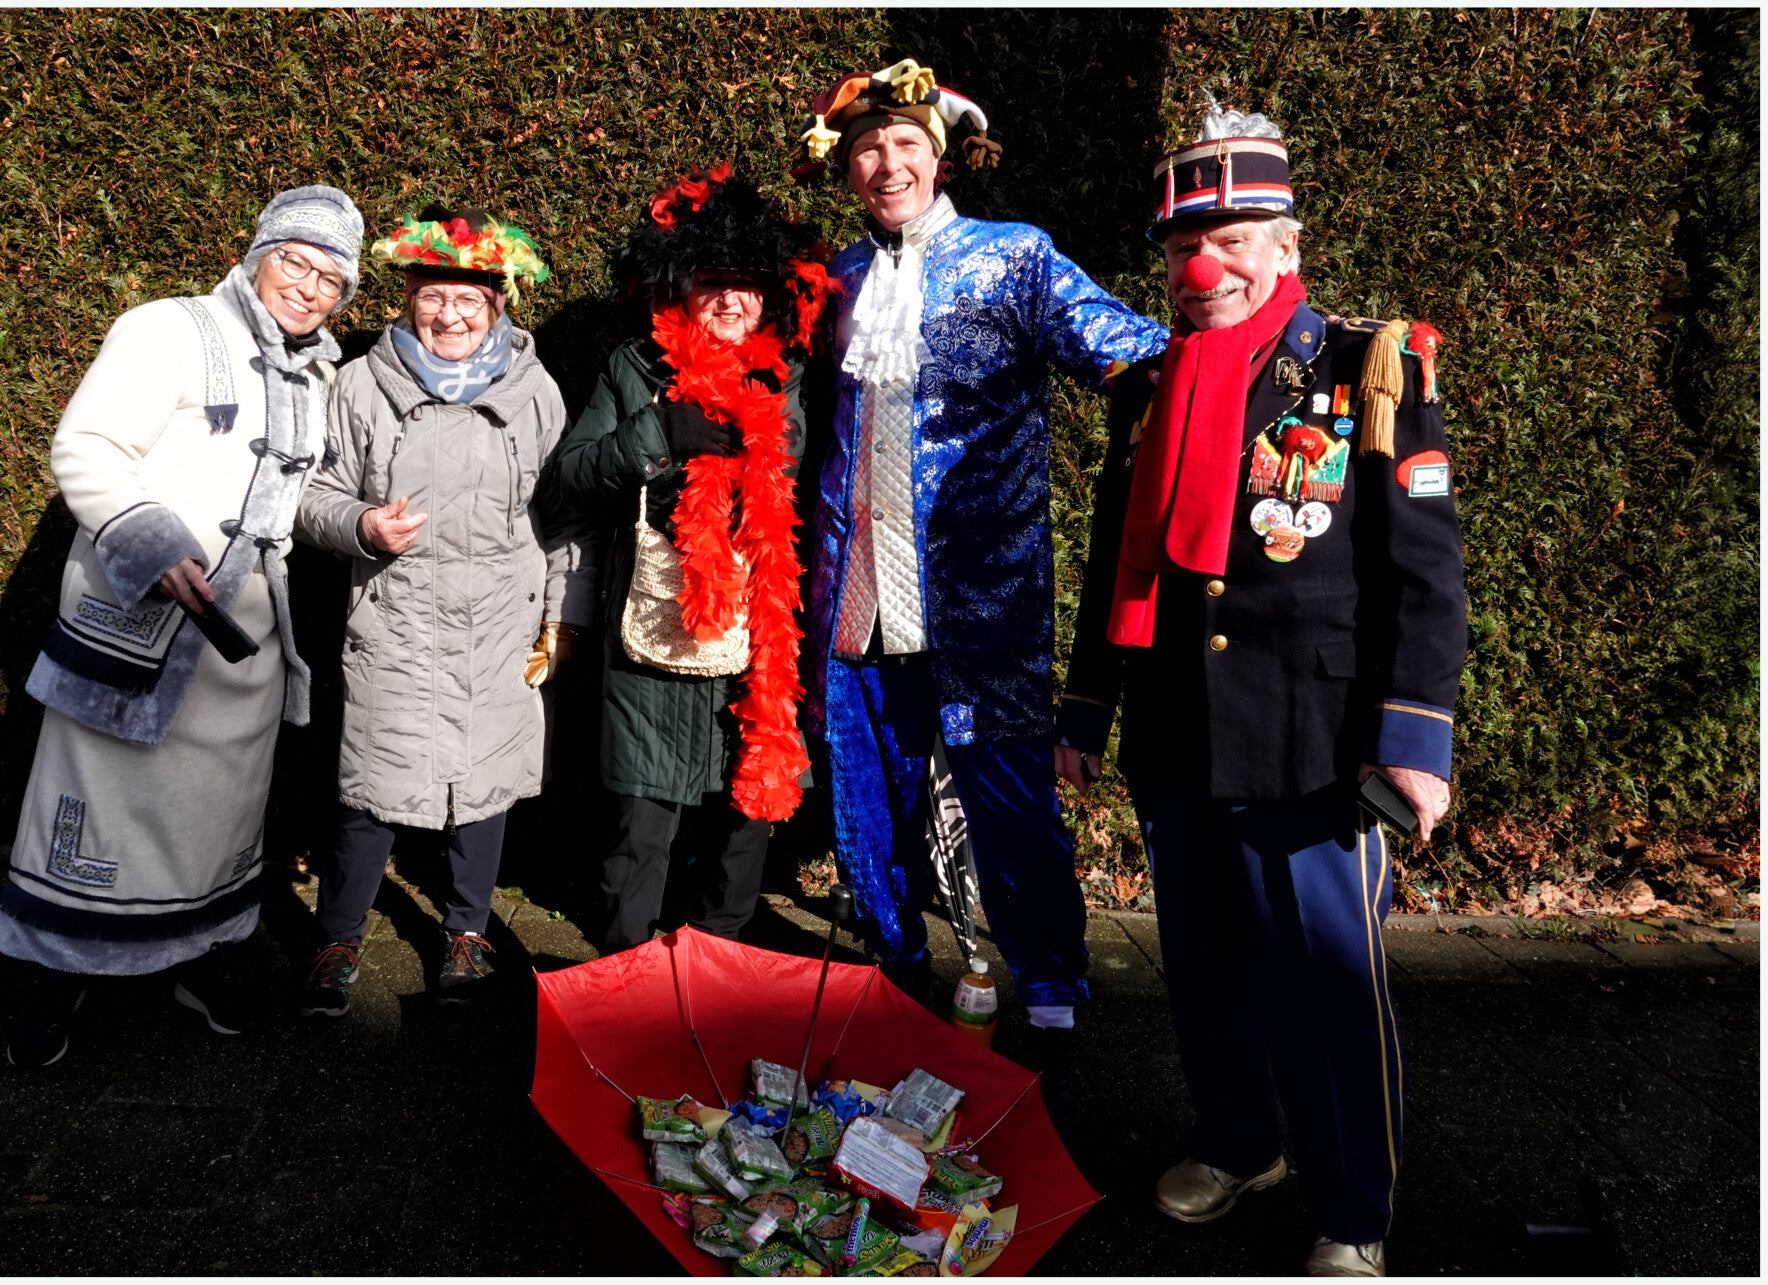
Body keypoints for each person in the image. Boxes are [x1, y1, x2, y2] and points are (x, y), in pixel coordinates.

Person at [1055, 101, 1467, 1278]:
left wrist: (1414, 740)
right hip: (1179, 727)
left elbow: (1425, 574)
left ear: (1285, 245)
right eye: (1187, 245)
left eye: (1231, 240)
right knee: (1203, 967)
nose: (1205, 267)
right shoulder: (1150, 385)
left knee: (1327, 984)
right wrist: (1088, 709)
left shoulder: (1366, 366)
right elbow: (1117, 557)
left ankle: (1352, 1206)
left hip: (1311, 734)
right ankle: (1240, 1143)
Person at [791, 59, 1167, 1095]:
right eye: (868, 148)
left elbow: (1132, 354)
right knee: (868, 795)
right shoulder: (834, 278)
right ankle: (895, 970)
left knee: (1008, 805)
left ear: (942, 156)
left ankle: (1050, 988)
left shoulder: (1015, 257)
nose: (887, 164)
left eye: (906, 144)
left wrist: (1278, 361)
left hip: (982, 600)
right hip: (857, 596)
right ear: (847, 168)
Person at [0, 185, 366, 1066]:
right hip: (137, 624)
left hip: (242, 642)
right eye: (296, 262)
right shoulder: (168, 328)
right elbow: (87, 447)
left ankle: (201, 957)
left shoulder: (319, 372)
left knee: (217, 816)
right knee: (95, 811)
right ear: (259, 254)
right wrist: (154, 545)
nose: (309, 288)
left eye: (332, 280)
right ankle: (53, 978)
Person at [292, 205, 595, 1015]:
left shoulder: (536, 392)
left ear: (498, 304)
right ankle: (337, 936)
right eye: (433, 296)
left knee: (485, 786)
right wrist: (361, 524)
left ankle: (467, 931)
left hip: (500, 624)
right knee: (371, 783)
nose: (450, 314)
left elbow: (566, 518)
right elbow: (312, 493)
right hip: (397, 623)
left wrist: (562, 618)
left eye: (468, 298)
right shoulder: (363, 385)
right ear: (408, 298)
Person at [541, 165, 837, 954]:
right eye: (712, 283)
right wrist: (657, 435)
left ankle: (721, 964)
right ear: (680, 286)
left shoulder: (794, 375)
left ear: (770, 295)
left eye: (747, 286)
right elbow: (566, 483)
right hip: (655, 635)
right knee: (640, 827)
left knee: (747, 820)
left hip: (762, 632)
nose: (730, 300)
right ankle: (626, 973)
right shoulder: (634, 368)